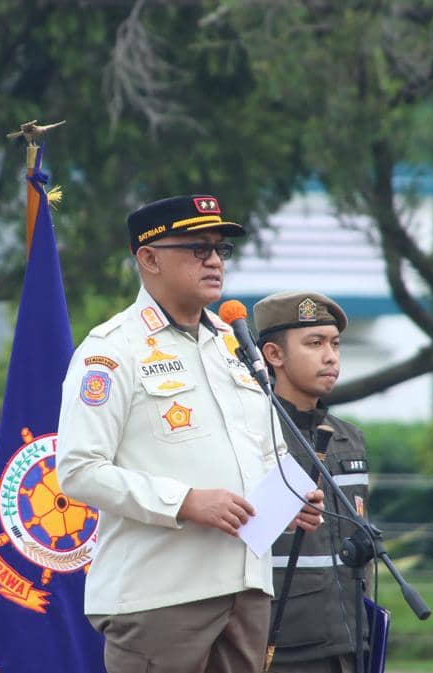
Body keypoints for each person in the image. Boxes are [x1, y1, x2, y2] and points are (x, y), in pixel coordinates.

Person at [57, 194, 324, 673]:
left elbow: (269, 450)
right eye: (198, 249)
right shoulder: (113, 350)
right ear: (149, 258)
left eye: (220, 249)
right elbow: (79, 470)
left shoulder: (233, 344)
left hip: (246, 589)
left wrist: (286, 500)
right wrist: (184, 501)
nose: (215, 261)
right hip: (161, 594)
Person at [253, 291, 370, 673]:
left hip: (351, 639)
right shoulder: (253, 434)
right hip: (283, 644)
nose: (331, 356)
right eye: (314, 343)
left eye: (335, 344)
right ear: (274, 355)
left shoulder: (347, 437)